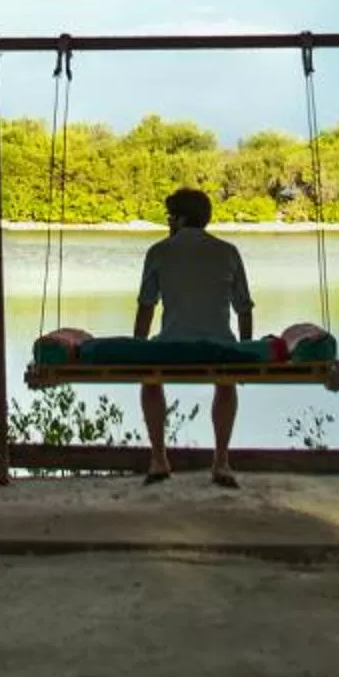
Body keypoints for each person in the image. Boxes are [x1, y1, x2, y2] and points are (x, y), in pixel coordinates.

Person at [135, 187, 252, 488]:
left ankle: (159, 458)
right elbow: (244, 308)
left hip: (172, 347)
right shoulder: (228, 251)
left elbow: (146, 306)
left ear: (182, 219)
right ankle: (221, 462)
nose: (168, 223)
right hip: (219, 347)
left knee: (150, 381)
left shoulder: (159, 251)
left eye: (170, 217)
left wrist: (136, 349)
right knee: (225, 384)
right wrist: (246, 351)